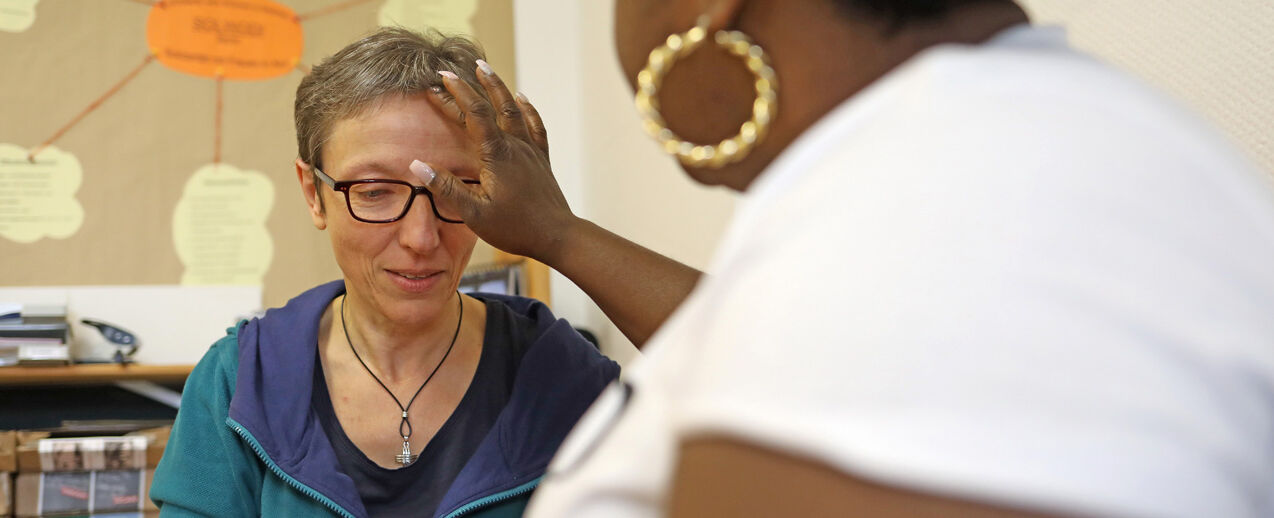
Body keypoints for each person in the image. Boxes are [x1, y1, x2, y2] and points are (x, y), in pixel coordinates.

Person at [413, 0, 1274, 516]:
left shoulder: (934, 215)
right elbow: (758, 343)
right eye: (372, 190)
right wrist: (560, 236)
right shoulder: (1014, 154)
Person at [149, 28, 619, 518]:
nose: (421, 237)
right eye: (374, 192)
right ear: (313, 193)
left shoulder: (565, 377)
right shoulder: (238, 385)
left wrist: (563, 234)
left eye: (458, 189)